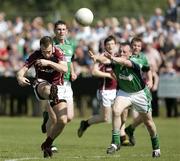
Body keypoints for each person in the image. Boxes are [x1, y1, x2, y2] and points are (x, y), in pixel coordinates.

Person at [89, 41, 160, 157]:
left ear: (130, 53)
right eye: (120, 51)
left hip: (140, 94)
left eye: (124, 52)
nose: (121, 53)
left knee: (148, 122)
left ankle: (156, 147)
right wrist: (95, 57)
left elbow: (125, 62)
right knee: (116, 111)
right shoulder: (115, 60)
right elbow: (104, 60)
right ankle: (115, 142)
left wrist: (112, 58)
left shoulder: (136, 60)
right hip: (124, 92)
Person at [16, 36, 68, 158]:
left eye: (49, 51)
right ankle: (51, 100)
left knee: (62, 121)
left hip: (58, 87)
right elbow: (21, 71)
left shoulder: (58, 53)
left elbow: (65, 69)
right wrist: (19, 78)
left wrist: (49, 62)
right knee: (47, 89)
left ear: (53, 47)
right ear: (40, 48)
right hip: (41, 84)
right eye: (44, 51)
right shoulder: (36, 55)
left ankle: (47, 144)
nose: (46, 54)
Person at [77, 35, 129, 145]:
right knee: (105, 118)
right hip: (105, 90)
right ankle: (86, 123)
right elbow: (94, 72)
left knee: (122, 112)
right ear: (104, 46)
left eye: (112, 44)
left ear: (116, 45)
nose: (110, 46)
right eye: (108, 44)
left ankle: (120, 136)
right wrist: (109, 75)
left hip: (118, 90)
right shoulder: (100, 57)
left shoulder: (118, 56)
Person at [41, 20, 77, 151]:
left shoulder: (70, 45)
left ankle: (46, 116)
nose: (61, 32)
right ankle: (49, 143)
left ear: (67, 31)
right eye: (59, 29)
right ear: (54, 31)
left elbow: (69, 61)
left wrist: (73, 72)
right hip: (55, 83)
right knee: (56, 118)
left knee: (69, 117)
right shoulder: (50, 45)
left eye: (63, 29)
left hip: (67, 83)